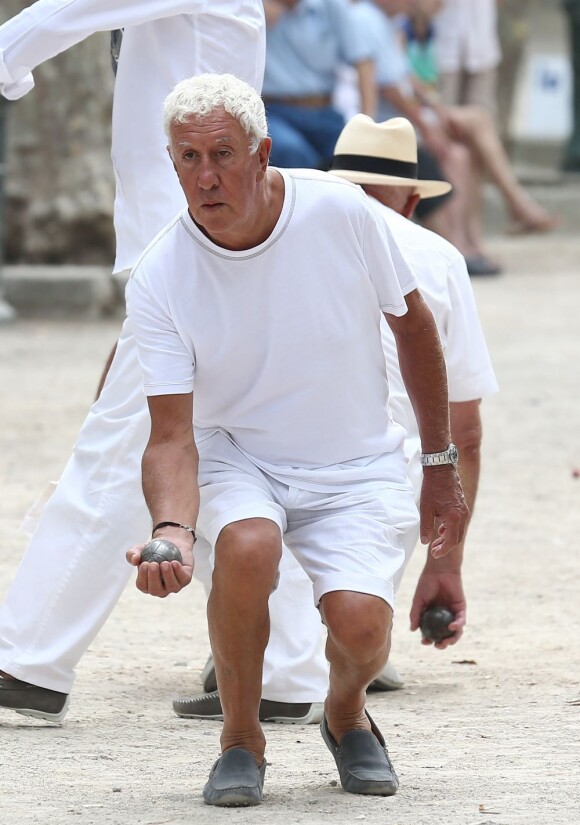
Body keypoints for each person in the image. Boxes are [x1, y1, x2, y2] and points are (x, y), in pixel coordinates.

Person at [124, 72, 468, 807]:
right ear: (171, 162)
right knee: (247, 545)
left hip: (357, 460)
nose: (206, 177)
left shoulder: (339, 210)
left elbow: (414, 327)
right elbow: (172, 435)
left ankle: (346, 714)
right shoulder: (160, 274)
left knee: (362, 628)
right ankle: (240, 739)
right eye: (188, 158)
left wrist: (439, 464)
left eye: (223, 154)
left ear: (261, 152)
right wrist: (171, 531)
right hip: (239, 456)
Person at [173, 115, 498, 722]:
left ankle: (266, 661)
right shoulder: (439, 256)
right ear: (410, 200)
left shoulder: (269, 234)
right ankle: (335, 657)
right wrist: (445, 561)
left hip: (279, 455)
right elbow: (468, 431)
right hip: (391, 468)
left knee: (244, 494)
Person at [0, 0, 265, 720]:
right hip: (181, 243)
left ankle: (28, 658)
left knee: (115, 455)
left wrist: (8, 55)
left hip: (182, 245)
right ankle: (288, 661)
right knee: (212, 453)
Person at [353, 0, 556, 275]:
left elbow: (403, 77)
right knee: (470, 134)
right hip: (398, 115)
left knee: (464, 149)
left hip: (470, 54)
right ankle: (497, 216)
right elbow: (389, 86)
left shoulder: (386, 22)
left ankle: (468, 241)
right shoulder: (367, 19)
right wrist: (427, 124)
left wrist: (433, 111)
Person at [262, 0, 376, 169]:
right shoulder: (253, 8)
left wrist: (367, 120)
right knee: (290, 150)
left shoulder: (332, 6)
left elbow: (363, 60)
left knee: (359, 154)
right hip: (275, 112)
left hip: (324, 110)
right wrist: (256, 13)